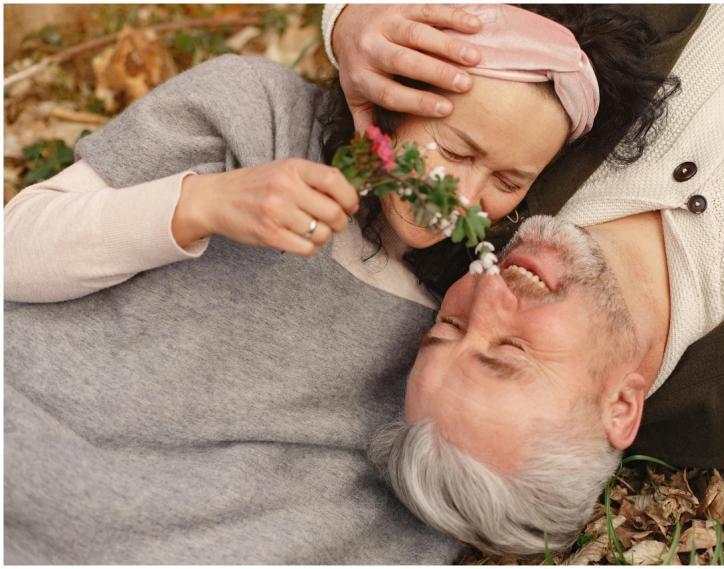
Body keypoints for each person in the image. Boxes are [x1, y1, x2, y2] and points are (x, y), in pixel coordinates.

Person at [3, 5, 676, 563]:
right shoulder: (255, 116)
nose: (463, 196)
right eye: (455, 150)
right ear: (389, 97)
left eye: (507, 182)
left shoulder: (451, 325)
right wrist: (200, 205)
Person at [364, 3, 724, 557]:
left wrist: (354, 20)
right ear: (620, 406)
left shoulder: (477, 181)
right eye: (511, 349)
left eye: (447, 325)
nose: (488, 289)